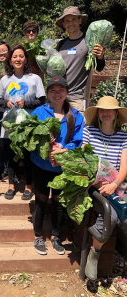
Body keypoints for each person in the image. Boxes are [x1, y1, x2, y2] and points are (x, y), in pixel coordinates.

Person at [30, 77, 84, 255]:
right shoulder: (39, 112)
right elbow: (29, 136)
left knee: (59, 201)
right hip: (42, 165)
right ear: (47, 94)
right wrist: (45, 147)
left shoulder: (75, 115)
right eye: (53, 90)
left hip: (63, 168)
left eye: (61, 90)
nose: (57, 93)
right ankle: (38, 236)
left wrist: (63, 150)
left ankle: (55, 235)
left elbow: (79, 141)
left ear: (67, 93)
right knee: (41, 199)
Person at [83, 96, 127, 280]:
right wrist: (98, 182)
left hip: (117, 185)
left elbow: (124, 167)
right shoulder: (89, 132)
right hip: (95, 186)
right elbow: (84, 161)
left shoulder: (124, 136)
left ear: (116, 113)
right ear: (98, 113)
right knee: (111, 214)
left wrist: (115, 184)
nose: (105, 113)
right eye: (102, 110)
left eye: (109, 110)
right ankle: (95, 253)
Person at [0, 44, 45, 198]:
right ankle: (11, 185)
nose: (18, 59)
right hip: (10, 124)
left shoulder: (34, 78)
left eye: (21, 56)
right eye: (15, 56)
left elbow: (42, 101)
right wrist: (6, 103)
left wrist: (27, 104)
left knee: (28, 155)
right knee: (11, 156)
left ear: (25, 59)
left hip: (28, 125)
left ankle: (28, 186)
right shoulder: (5, 79)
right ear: (10, 60)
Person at [56, 6, 105, 113]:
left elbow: (99, 67)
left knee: (77, 129)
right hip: (59, 96)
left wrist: (100, 57)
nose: (70, 23)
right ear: (64, 24)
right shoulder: (61, 44)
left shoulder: (89, 42)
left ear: (80, 20)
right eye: (67, 21)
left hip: (77, 98)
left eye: (74, 19)